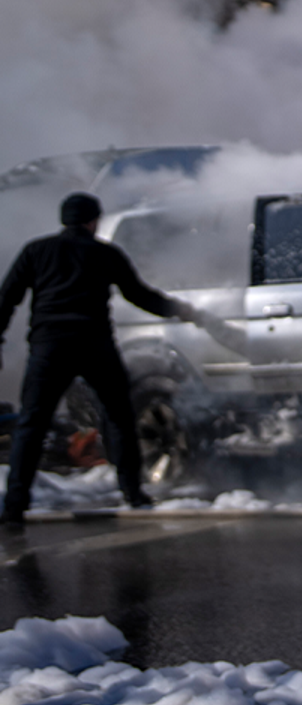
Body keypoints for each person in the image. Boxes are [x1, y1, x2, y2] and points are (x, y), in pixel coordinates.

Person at [0, 192, 201, 525]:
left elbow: (7, 299)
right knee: (119, 417)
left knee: (32, 423)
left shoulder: (35, 251)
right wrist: (182, 311)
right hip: (95, 346)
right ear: (93, 221)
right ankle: (134, 494)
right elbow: (140, 295)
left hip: (49, 347)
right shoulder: (105, 253)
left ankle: (15, 505)